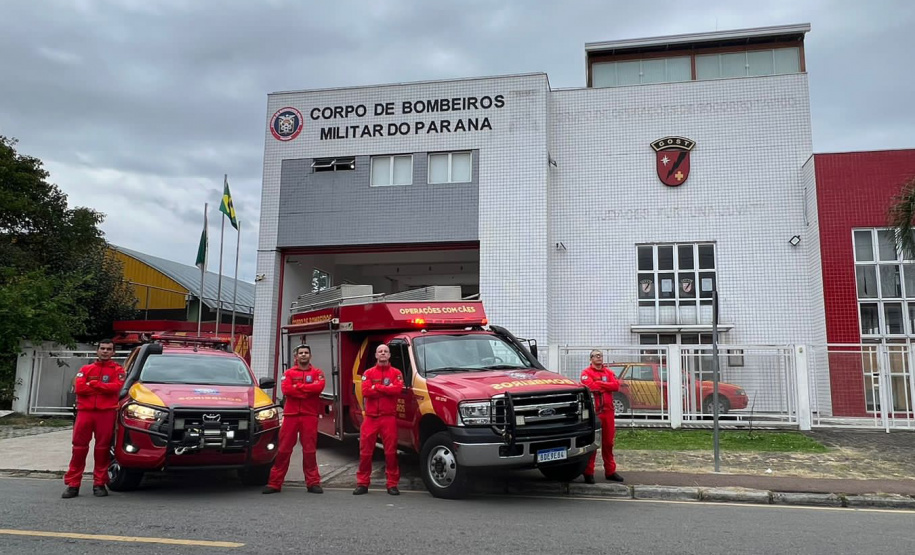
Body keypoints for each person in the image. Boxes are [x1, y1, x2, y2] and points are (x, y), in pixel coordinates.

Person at [62, 339, 125, 498]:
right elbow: (79, 388)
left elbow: (116, 388)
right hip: (85, 412)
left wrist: (94, 384)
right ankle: (73, 484)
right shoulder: (86, 368)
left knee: (102, 449)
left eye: (108, 349)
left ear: (113, 352)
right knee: (78, 448)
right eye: (102, 348)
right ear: (97, 351)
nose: (105, 351)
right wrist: (102, 388)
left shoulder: (118, 370)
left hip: (106, 413)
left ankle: (99, 483)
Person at [263, 344, 325, 494]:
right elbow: (287, 390)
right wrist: (307, 389)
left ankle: (313, 483)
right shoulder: (289, 373)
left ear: (310, 356)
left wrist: (298, 387)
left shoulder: (318, 372)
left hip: (309, 416)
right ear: (296, 357)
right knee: (284, 449)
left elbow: (319, 388)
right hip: (290, 416)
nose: (303, 355)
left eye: (306, 353)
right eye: (301, 353)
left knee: (309, 451)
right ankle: (275, 483)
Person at [353, 343, 403, 496]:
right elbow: (366, 391)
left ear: (389, 355)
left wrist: (378, 388)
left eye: (385, 351)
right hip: (371, 418)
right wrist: (386, 389)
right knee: (365, 452)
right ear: (376, 355)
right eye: (380, 351)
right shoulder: (368, 373)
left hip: (388, 418)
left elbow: (397, 390)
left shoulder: (396, 373)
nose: (382, 353)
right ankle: (362, 483)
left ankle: (392, 484)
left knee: (390, 452)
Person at [580, 349, 624, 484]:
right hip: (595, 413)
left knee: (609, 443)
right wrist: (606, 386)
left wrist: (601, 384)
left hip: (609, 412)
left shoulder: (608, 372)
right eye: (596, 355)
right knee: (593, 443)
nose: (599, 358)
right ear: (591, 358)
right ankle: (588, 473)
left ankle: (610, 472)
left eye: (601, 355)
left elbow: (616, 386)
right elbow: (590, 387)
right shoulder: (586, 373)